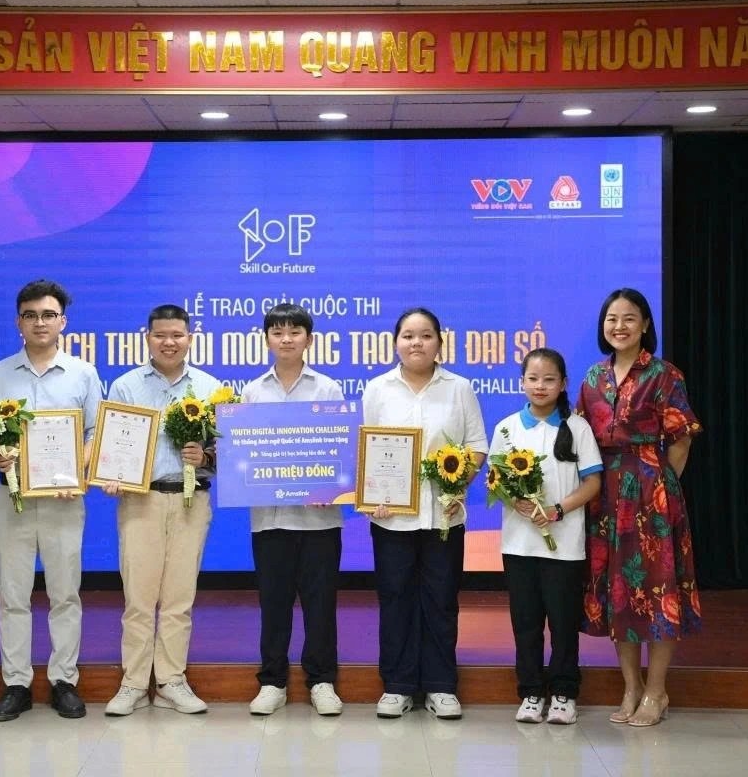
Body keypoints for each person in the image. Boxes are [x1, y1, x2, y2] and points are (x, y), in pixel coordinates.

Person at [577, 288, 702, 727]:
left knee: (657, 590)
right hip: (605, 494)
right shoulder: (592, 378)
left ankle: (657, 690)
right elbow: (580, 440)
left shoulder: (666, 375)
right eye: (612, 318)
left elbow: (681, 439)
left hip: (652, 491)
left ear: (646, 325)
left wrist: (659, 487)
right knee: (618, 593)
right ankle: (630, 686)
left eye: (630, 318)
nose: (620, 326)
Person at [0, 280, 102, 722]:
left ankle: (63, 680)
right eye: (31, 315)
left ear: (62, 322)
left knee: (65, 593)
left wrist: (79, 470)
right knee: (13, 594)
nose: (40, 322)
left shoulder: (83, 373)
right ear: (19, 322)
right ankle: (16, 684)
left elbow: (94, 434)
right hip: (11, 497)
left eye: (48, 315)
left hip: (66, 499)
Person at [361, 307, 487, 720]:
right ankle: (396, 685)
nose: (417, 343)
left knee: (441, 600)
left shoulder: (459, 388)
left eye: (426, 335)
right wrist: (372, 493)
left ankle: (440, 685)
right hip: (391, 518)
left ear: (439, 342)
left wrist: (457, 484)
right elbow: (369, 451)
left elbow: (477, 446)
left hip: (443, 518)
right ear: (395, 342)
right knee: (395, 598)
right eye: (408, 336)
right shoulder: (377, 389)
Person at [101, 304, 221, 716]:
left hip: (192, 500)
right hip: (140, 500)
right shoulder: (126, 387)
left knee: (178, 599)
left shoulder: (210, 388)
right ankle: (133, 682)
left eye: (177, 335)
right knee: (138, 598)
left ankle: (171, 680)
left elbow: (228, 456)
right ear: (147, 337)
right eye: (160, 335)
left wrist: (204, 455)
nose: (169, 342)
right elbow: (110, 446)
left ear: (190, 338)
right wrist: (111, 473)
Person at [241, 303, 345, 717]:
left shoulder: (328, 389)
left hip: (320, 520)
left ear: (309, 339)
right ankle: (272, 681)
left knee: (321, 604)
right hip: (270, 520)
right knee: (274, 602)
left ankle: (322, 680)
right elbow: (244, 455)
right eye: (278, 332)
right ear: (266, 339)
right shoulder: (252, 392)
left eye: (294, 332)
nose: (286, 339)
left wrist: (331, 483)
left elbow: (338, 452)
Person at [492, 348, 602, 725]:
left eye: (549, 379)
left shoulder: (578, 428)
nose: (540, 386)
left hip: (565, 544)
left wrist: (558, 510)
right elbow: (496, 479)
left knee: (563, 622)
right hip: (519, 544)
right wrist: (515, 499)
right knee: (525, 623)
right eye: (533, 379)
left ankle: (564, 693)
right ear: (522, 382)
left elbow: (593, 482)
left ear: (563, 384)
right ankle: (531, 692)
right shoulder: (506, 428)